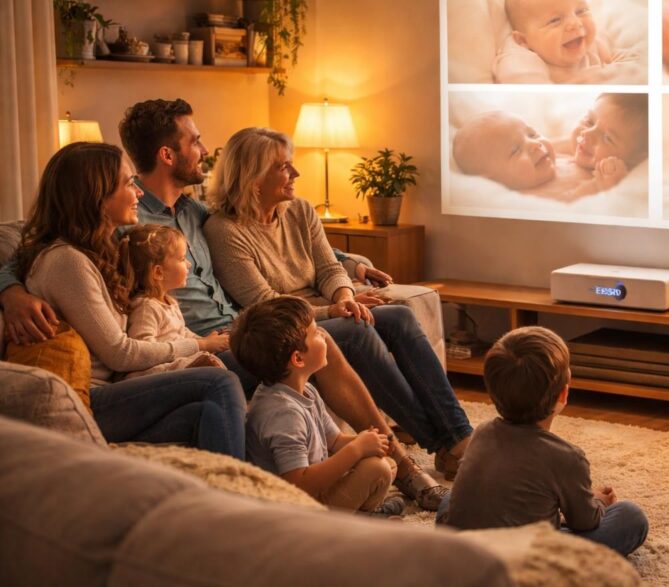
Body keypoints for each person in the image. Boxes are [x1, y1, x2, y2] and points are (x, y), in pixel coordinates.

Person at [0, 98, 448, 509]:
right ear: (167, 155)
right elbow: (31, 254)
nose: (204, 148)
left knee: (391, 316)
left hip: (226, 332)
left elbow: (257, 224)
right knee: (331, 339)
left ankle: (441, 442)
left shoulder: (194, 214)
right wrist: (9, 289)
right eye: (194, 141)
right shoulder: (122, 236)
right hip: (189, 346)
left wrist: (350, 263)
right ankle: (269, 498)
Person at [203, 126, 474, 508]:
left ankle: (456, 438)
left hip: (325, 309)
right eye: (283, 167)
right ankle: (421, 457)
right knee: (357, 331)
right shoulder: (224, 230)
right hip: (287, 321)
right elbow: (264, 302)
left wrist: (346, 296)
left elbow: (330, 269)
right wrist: (334, 310)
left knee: (398, 317)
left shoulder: (298, 210)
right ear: (252, 179)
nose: (295, 174)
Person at [10, 142, 245, 458]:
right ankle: (240, 502)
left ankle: (250, 489)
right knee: (218, 382)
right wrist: (199, 346)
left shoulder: (100, 250)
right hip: (98, 400)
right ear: (96, 195)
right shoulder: (67, 262)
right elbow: (120, 354)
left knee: (215, 406)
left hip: (123, 389)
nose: (138, 193)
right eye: (128, 183)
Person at [437, 326, 648, 557]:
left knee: (451, 499)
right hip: (523, 562)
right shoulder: (568, 457)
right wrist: (598, 503)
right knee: (630, 516)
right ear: (563, 395)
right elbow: (585, 522)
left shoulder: (482, 432)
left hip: (458, 549)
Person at [233, 296, 404, 516]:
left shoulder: (305, 390)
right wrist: (357, 449)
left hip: (313, 495)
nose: (324, 335)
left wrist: (370, 442)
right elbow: (298, 483)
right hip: (295, 511)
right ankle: (357, 522)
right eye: (315, 333)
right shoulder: (283, 414)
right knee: (377, 469)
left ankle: (363, 517)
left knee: (385, 463)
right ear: (298, 359)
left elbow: (333, 441)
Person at [452, 94, 648, 200]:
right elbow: (570, 203)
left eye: (532, 134)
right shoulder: (528, 196)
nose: (536, 145)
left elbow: (559, 143)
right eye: (515, 150)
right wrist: (600, 186)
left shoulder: (556, 156)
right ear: (491, 181)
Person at [121, 223, 231, 379]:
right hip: (155, 374)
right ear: (158, 272)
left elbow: (182, 333)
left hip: (177, 362)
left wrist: (205, 341)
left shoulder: (168, 301)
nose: (189, 264)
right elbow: (145, 351)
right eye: (182, 258)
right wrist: (203, 345)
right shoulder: (146, 307)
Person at [494, 0, 640, 84]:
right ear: (523, 40)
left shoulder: (595, 44)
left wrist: (611, 72)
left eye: (581, 11)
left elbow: (634, 64)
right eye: (555, 20)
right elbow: (522, 82)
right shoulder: (522, 60)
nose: (575, 23)